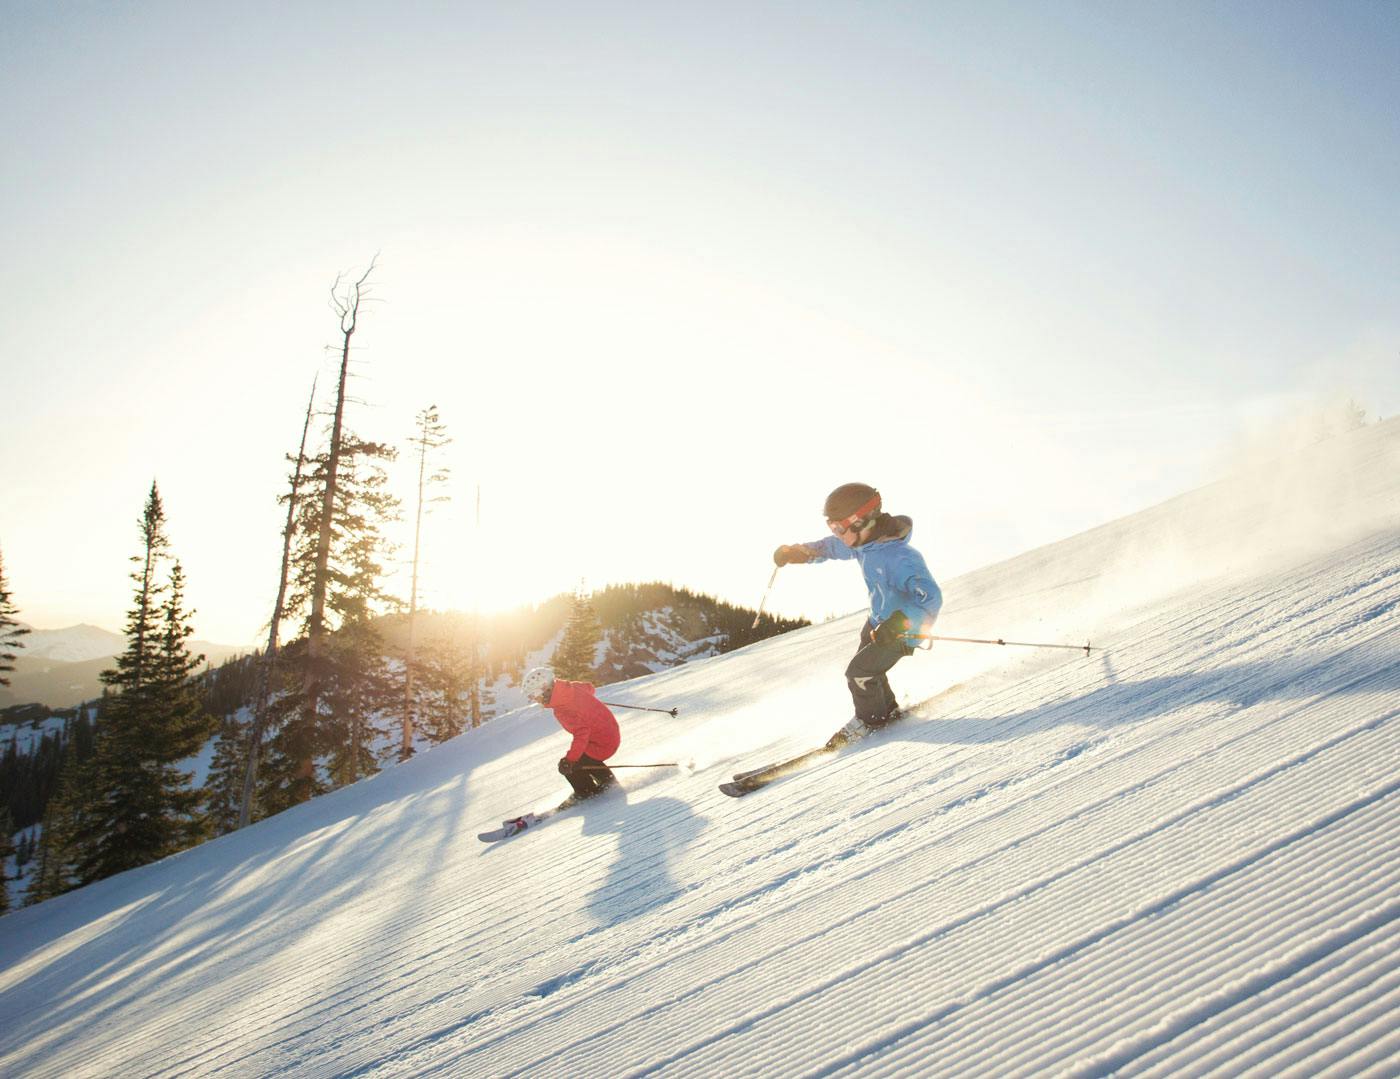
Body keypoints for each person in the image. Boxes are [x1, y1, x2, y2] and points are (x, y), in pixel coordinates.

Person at [772, 482, 942, 745]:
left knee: (859, 672)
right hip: (877, 622)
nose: (836, 534)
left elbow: (930, 598)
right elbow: (829, 548)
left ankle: (870, 722)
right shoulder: (863, 544)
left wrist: (900, 623)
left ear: (862, 522)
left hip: (902, 629)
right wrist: (800, 553)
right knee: (870, 669)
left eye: (839, 527)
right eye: (832, 527)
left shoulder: (900, 557)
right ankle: (886, 711)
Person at [523, 666, 621, 801]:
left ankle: (586, 792)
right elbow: (589, 688)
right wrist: (586, 705)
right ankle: (608, 781)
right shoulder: (570, 687)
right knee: (582, 756)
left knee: (569, 765)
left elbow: (582, 734)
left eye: (534, 695)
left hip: (603, 743)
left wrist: (570, 760)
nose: (535, 699)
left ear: (545, 690)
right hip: (610, 732)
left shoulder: (562, 710)